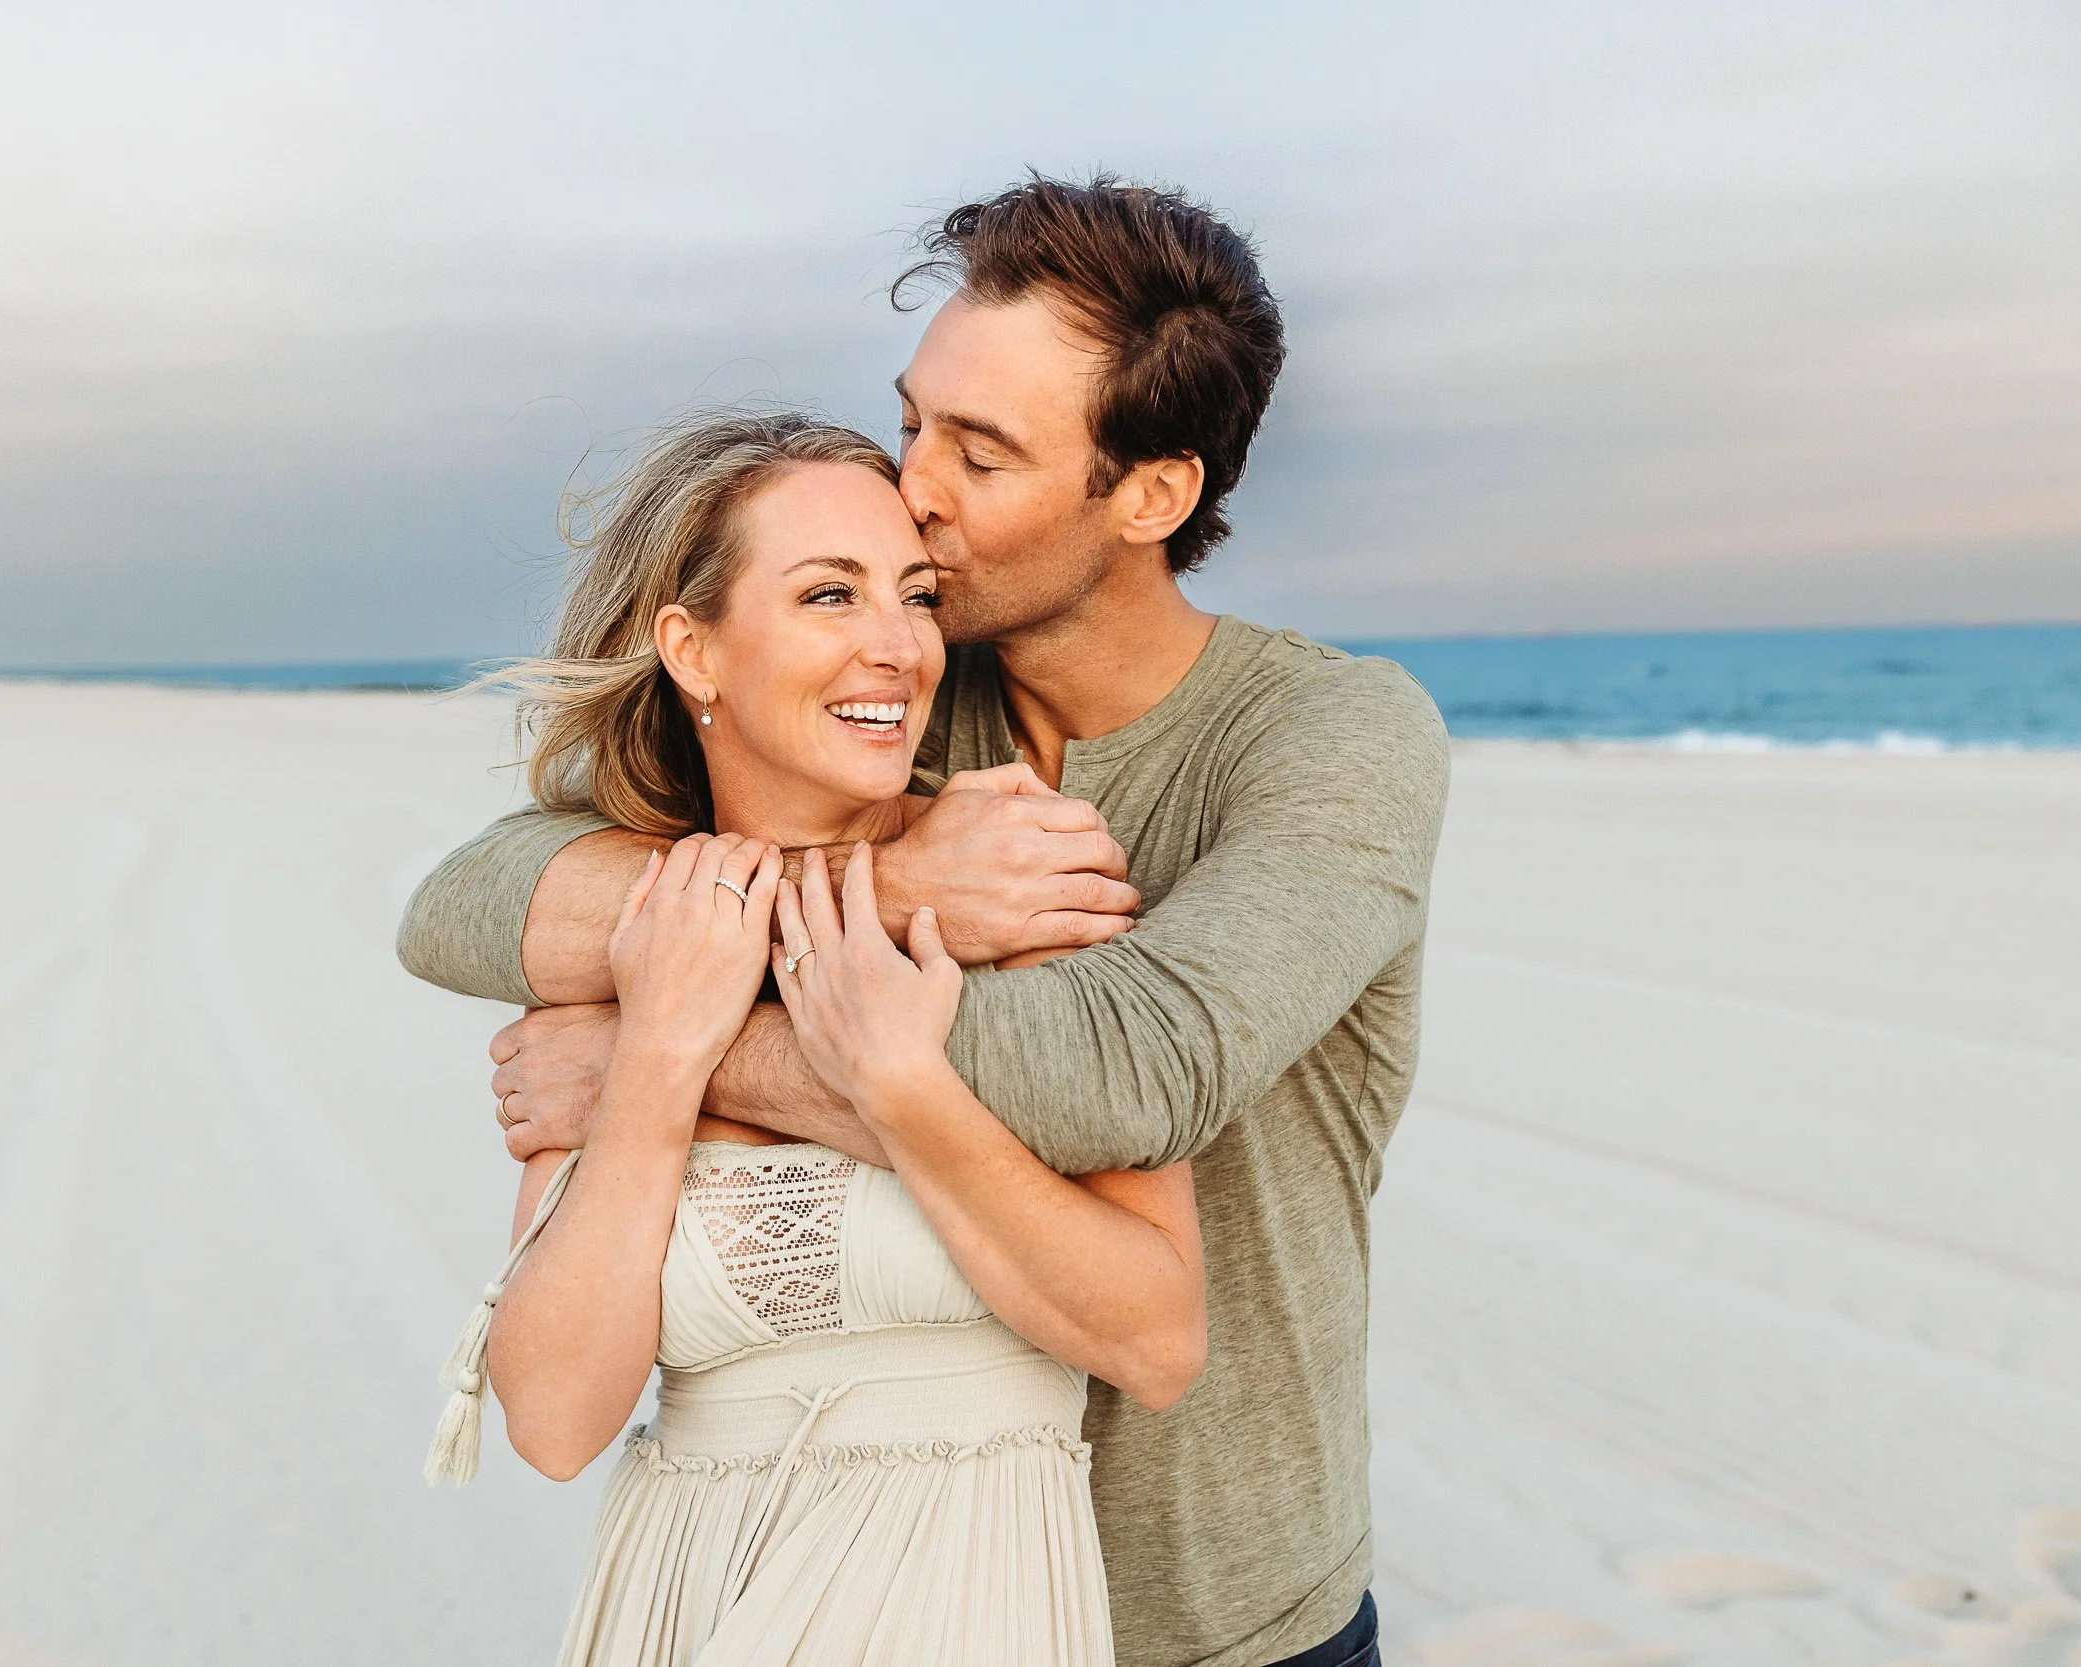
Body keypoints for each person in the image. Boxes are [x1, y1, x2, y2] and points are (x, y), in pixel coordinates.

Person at [403, 176, 1449, 1667]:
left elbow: (1126, 1070)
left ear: (1148, 492)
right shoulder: (893, 688)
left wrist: (684, 1045)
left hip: (1209, 1609)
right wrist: (884, 891)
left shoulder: (1331, 735)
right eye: (914, 422)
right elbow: (472, 905)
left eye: (982, 449)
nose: (918, 487)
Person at [426, 413, 1206, 1667]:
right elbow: (558, 1421)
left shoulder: (1018, 884)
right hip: (688, 1597)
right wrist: (660, 1057)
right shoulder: (635, 942)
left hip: (972, 1595)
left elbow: (1158, 1341)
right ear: (693, 648)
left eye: (913, 595)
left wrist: (897, 1083)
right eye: (829, 594)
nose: (897, 648)